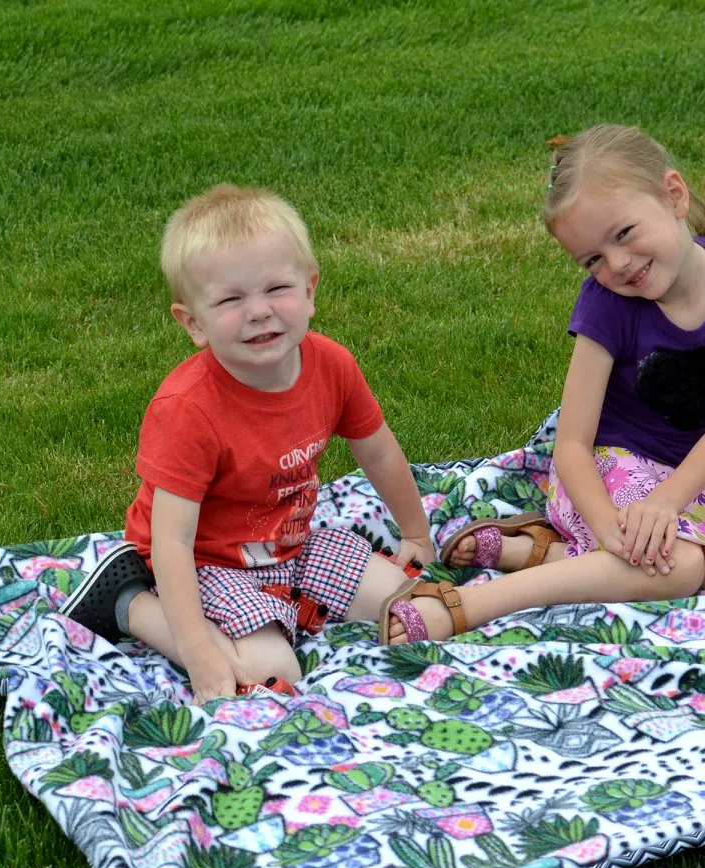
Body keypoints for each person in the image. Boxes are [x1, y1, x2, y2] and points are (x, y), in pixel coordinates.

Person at [382, 125, 705, 642]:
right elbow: (573, 444)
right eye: (593, 259)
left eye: (623, 234)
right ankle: (472, 602)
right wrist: (606, 528)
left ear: (673, 194)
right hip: (603, 469)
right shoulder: (607, 304)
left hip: (683, 480)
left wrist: (666, 501)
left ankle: (538, 553)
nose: (619, 264)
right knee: (681, 566)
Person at [61, 184, 434, 701]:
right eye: (232, 299)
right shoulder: (189, 409)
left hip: (292, 546)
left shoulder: (332, 366)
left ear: (310, 291)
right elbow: (171, 541)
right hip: (204, 561)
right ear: (193, 323)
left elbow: (379, 450)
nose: (259, 311)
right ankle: (129, 603)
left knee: (411, 603)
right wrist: (198, 652)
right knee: (273, 673)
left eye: (276, 288)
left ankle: (290, 608)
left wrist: (416, 534)